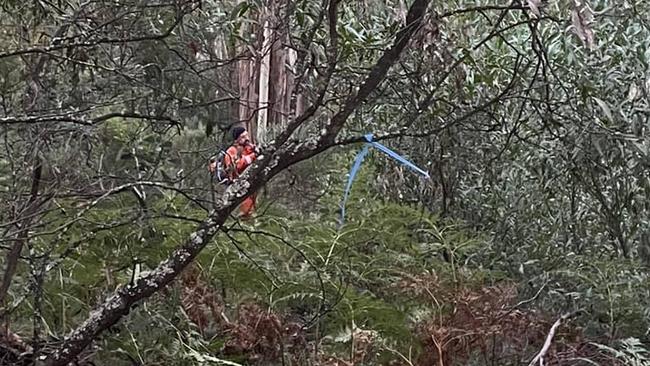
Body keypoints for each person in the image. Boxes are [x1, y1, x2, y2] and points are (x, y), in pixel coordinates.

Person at [208, 126, 257, 218]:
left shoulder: (249, 148)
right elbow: (235, 167)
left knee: (252, 205)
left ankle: (251, 219)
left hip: (250, 182)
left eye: (246, 135)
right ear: (236, 139)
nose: (246, 139)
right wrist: (252, 157)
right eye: (242, 137)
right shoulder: (231, 151)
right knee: (245, 210)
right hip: (238, 184)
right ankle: (245, 221)